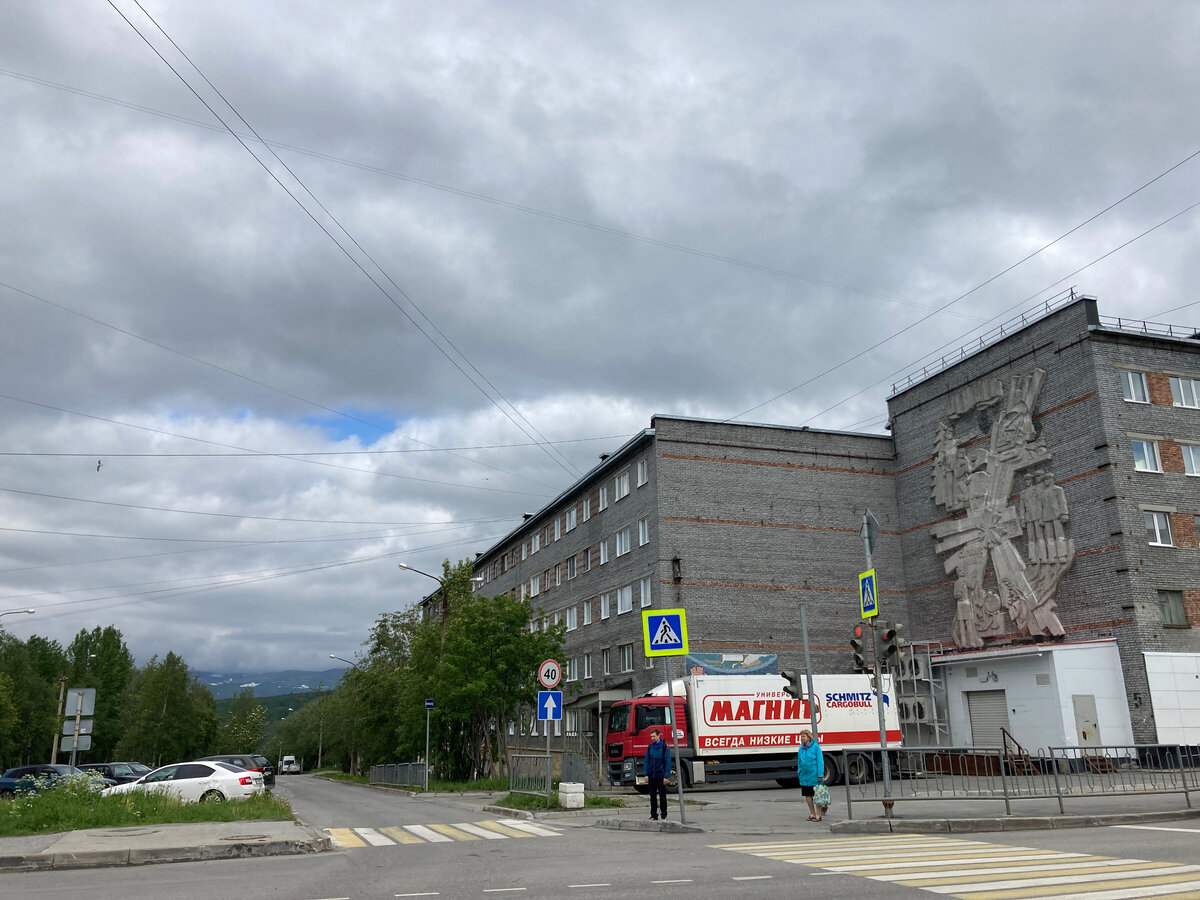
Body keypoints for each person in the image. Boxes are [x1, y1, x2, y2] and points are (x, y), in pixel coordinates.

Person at [796, 729, 825, 821]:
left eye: (803, 736)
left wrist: (820, 774)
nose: (802, 738)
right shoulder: (801, 749)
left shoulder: (816, 747)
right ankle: (812, 813)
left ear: (808, 737)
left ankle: (818, 815)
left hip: (815, 776)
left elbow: (820, 761)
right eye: (801, 737)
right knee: (808, 795)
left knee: (817, 796)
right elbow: (799, 762)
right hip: (805, 776)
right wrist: (799, 772)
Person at [643, 728, 672, 821]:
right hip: (652, 776)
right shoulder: (650, 748)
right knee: (652, 796)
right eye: (651, 737)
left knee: (662, 796)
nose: (652, 738)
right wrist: (646, 774)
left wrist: (666, 776)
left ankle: (664, 815)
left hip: (661, 775)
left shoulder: (664, 748)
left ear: (659, 736)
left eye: (654, 736)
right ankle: (653, 815)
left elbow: (668, 763)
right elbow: (646, 761)